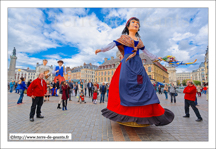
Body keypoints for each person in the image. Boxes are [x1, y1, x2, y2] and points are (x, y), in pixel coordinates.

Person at [95, 17, 174, 126]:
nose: (136, 24)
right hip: (127, 63)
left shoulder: (139, 41)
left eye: (138, 23)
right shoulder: (124, 38)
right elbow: (112, 44)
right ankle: (124, 112)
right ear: (128, 26)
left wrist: (157, 57)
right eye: (133, 22)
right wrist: (101, 49)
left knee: (141, 84)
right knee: (123, 82)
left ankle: (143, 113)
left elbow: (147, 52)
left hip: (137, 64)